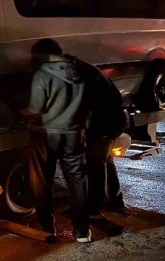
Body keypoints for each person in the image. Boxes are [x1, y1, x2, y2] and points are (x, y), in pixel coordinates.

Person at [23, 38, 91, 243]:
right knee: (77, 181)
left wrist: (21, 111)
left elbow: (36, 108)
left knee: (42, 180)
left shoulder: (42, 74)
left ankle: (47, 227)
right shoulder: (80, 71)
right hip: (75, 133)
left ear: (42, 54)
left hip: (47, 134)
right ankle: (82, 232)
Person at [65, 55, 129, 219]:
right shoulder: (85, 69)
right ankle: (115, 200)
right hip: (113, 119)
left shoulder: (79, 76)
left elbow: (79, 104)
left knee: (96, 163)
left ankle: (94, 209)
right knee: (105, 160)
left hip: (105, 122)